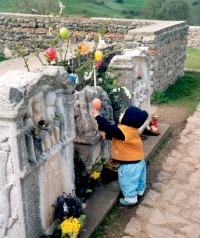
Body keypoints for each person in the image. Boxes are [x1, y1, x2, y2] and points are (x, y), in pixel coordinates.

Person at [92, 106, 148, 205]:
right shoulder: (132, 129)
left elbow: (110, 128)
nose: (121, 114)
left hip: (129, 165)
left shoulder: (123, 131)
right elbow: (119, 137)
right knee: (139, 178)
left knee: (127, 181)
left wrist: (98, 117)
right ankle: (140, 191)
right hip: (139, 162)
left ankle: (130, 198)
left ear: (129, 119)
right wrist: (107, 136)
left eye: (123, 113)